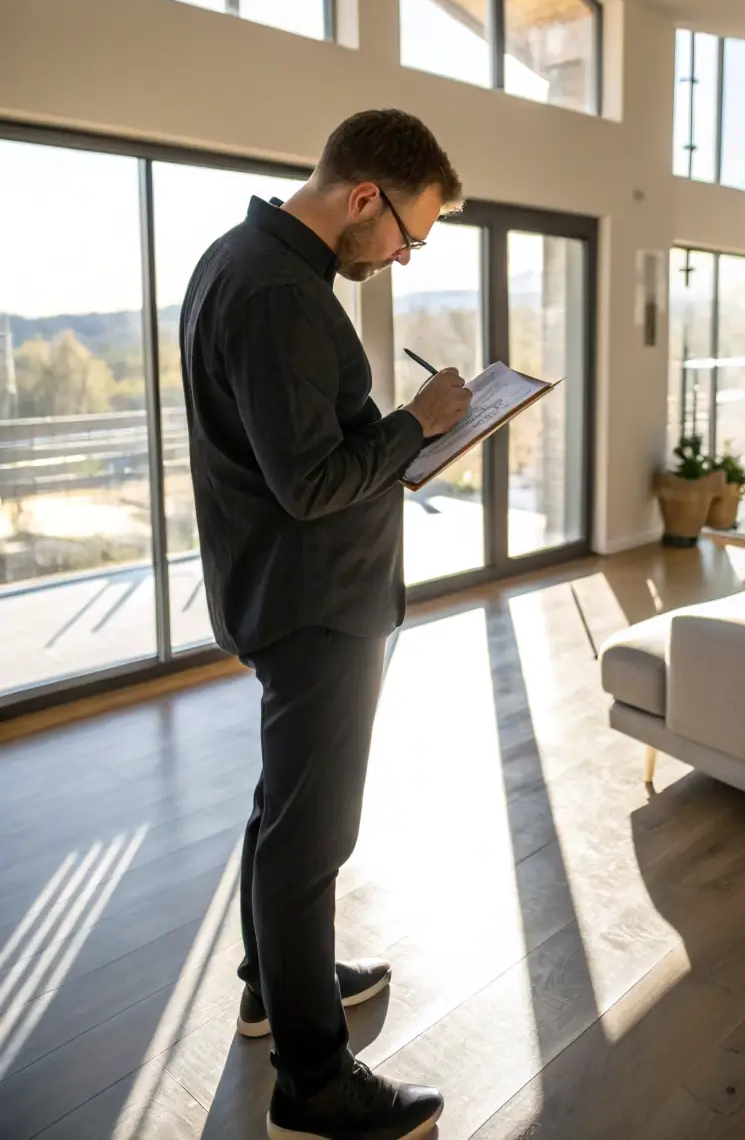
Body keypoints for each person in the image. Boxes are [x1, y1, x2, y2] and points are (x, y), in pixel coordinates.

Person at [180, 110, 471, 1140]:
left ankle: (275, 978)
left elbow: (299, 453)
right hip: (315, 605)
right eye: (407, 233)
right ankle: (312, 1082)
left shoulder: (247, 263)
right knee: (311, 838)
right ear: (363, 198)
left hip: (293, 593)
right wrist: (419, 424)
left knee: (285, 808)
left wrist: (398, 437)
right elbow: (311, 484)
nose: (403, 254)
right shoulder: (279, 295)